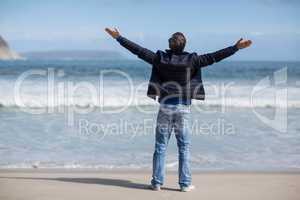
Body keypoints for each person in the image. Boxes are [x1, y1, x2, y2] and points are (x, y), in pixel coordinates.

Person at [105, 27, 252, 192]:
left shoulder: (160, 58)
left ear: (170, 44)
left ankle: (157, 183)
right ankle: (184, 184)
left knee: (160, 146)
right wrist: (235, 48)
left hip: (165, 107)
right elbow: (214, 57)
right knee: (184, 146)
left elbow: (139, 51)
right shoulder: (193, 60)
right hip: (183, 108)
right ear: (184, 45)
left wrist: (119, 38)